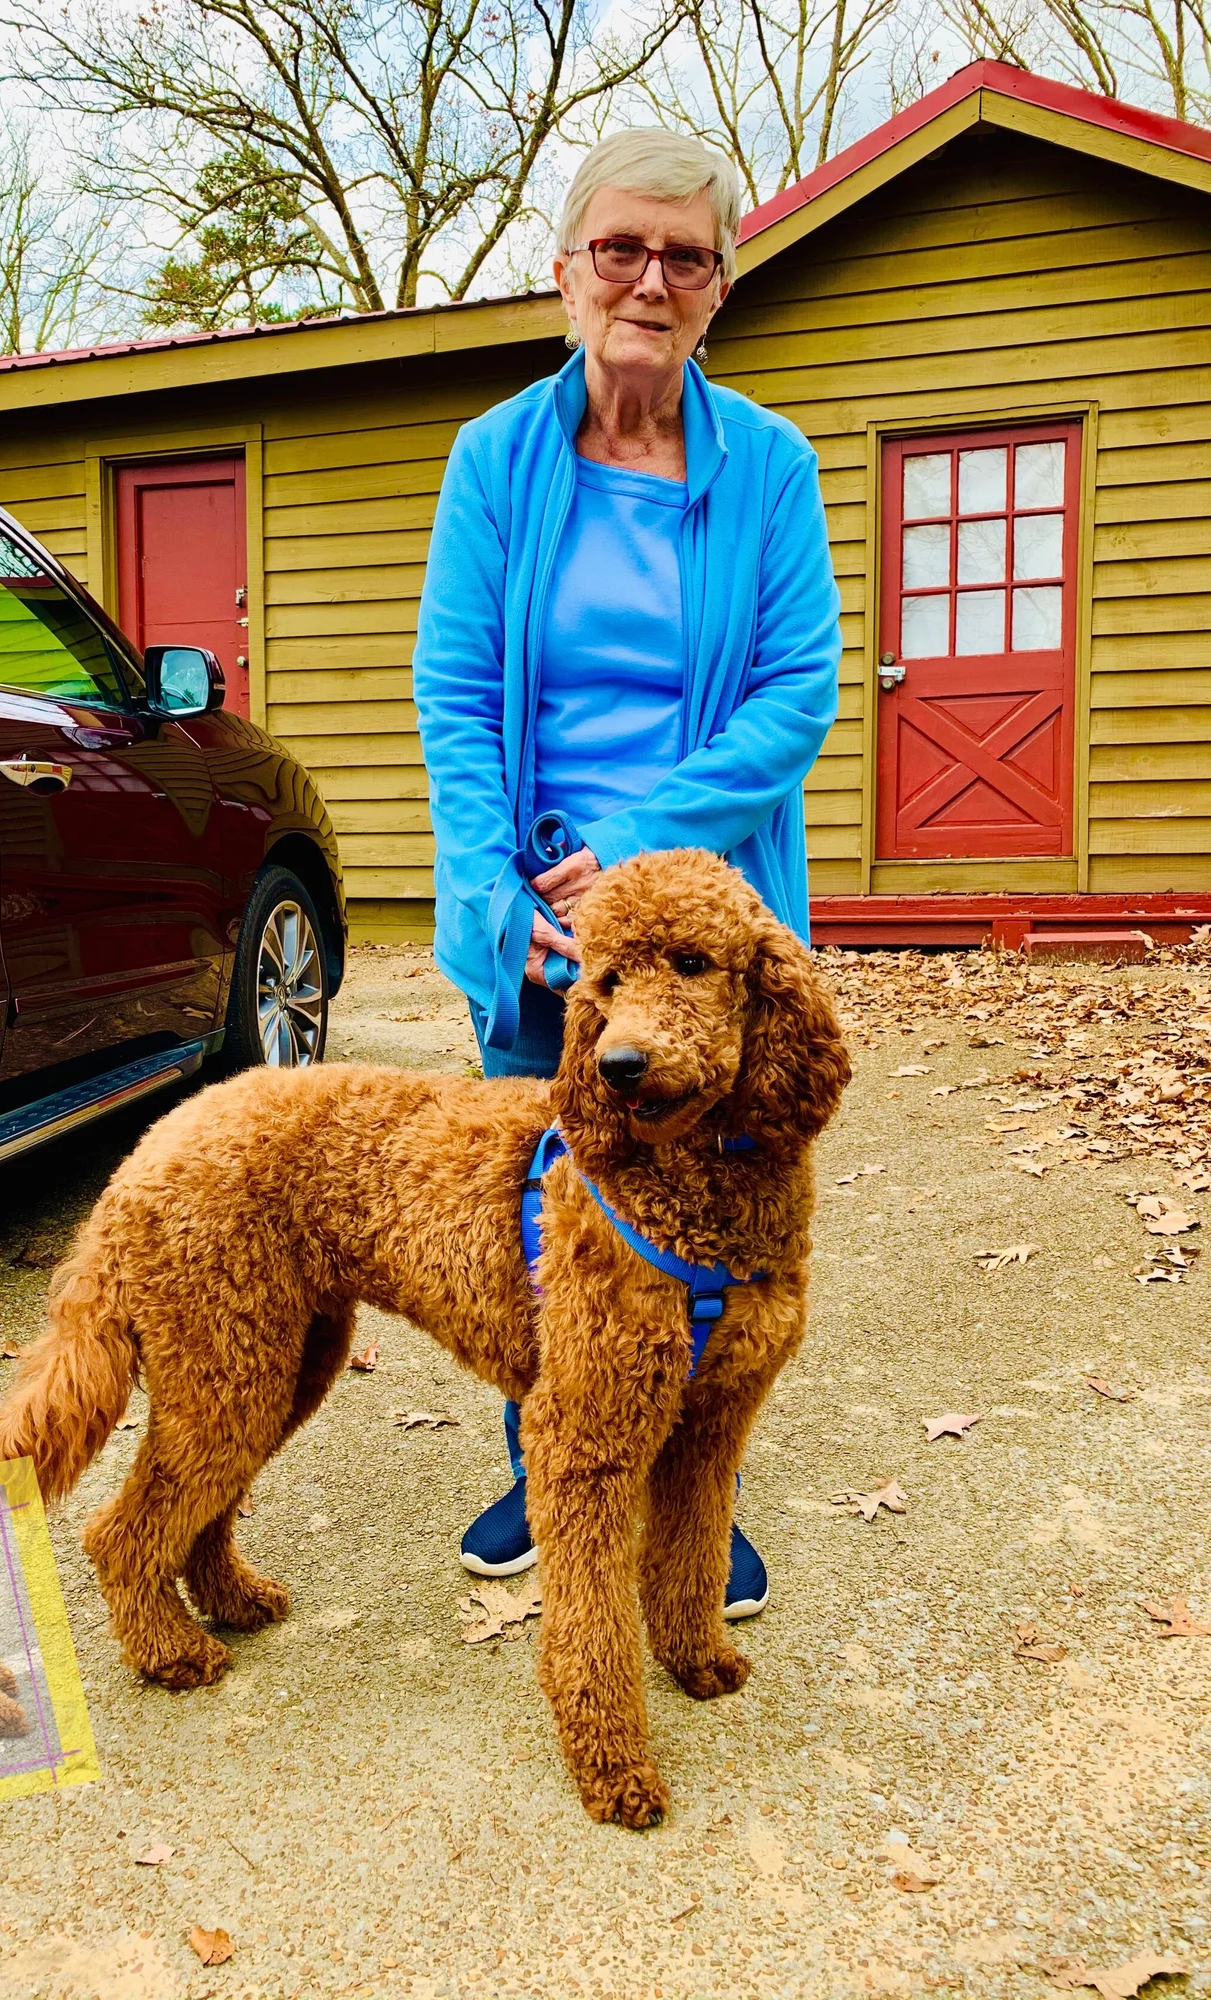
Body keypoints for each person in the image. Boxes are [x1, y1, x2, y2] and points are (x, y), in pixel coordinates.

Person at [411, 127, 841, 1603]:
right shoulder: (495, 461)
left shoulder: (770, 469)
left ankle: (690, 1502)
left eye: (684, 254)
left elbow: (797, 693)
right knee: (551, 1211)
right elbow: (456, 697)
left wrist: (646, 849)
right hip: (541, 922)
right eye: (620, 248)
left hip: (708, 921)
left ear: (722, 283)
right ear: (566, 270)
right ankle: (550, 1469)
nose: (647, 279)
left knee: (713, 1208)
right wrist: (491, 891)